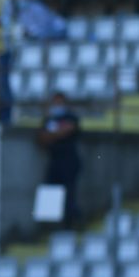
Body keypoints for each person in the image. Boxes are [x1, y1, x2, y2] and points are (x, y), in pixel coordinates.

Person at [37, 92, 82, 229]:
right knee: (50, 191)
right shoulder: (49, 119)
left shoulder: (71, 117)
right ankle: (49, 225)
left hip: (69, 161)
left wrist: (52, 134)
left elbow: (68, 130)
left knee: (69, 194)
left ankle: (70, 224)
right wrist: (57, 134)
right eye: (55, 102)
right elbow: (42, 138)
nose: (57, 105)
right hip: (54, 161)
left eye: (59, 102)